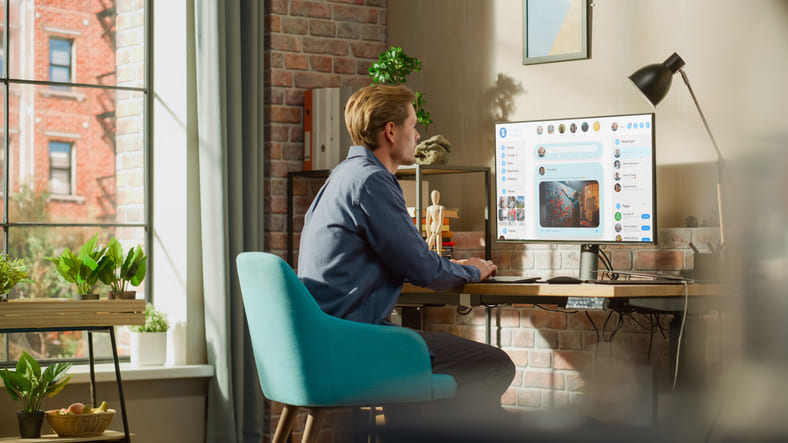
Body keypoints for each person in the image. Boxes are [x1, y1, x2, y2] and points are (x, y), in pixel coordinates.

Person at [297, 84, 515, 420]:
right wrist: (473, 269)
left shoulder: (342, 176)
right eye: (413, 126)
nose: (417, 136)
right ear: (391, 132)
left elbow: (406, 258)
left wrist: (442, 264)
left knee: (424, 369)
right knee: (493, 365)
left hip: (328, 340)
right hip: (355, 343)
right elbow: (425, 271)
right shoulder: (372, 181)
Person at [425, 189, 444, 254]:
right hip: (433, 225)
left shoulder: (441, 208)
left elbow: (441, 221)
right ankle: (428, 254)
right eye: (434, 196)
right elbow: (427, 223)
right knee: (431, 240)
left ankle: (439, 255)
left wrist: (438, 229)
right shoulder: (429, 208)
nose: (435, 198)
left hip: (437, 226)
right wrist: (428, 235)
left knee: (438, 243)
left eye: (436, 196)